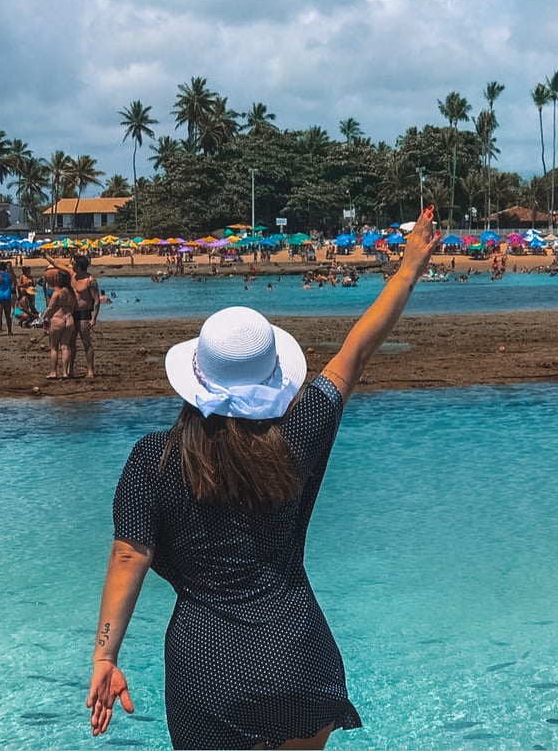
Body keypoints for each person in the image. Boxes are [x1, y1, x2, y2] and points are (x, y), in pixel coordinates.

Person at [86, 208, 441, 749]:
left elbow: (129, 556)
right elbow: (356, 351)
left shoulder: (154, 460)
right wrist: (410, 265)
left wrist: (105, 656)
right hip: (300, 655)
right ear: (274, 380)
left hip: (209, 667)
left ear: (196, 377)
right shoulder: (298, 435)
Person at [44, 253, 100, 378]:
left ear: (79, 266)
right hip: (71, 313)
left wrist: (94, 318)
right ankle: (70, 370)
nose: (71, 264)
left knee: (86, 342)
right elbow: (56, 264)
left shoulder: (90, 281)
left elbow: (96, 300)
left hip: (84, 313)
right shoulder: (71, 274)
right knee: (70, 343)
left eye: (73, 263)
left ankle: (90, 370)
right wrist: (45, 255)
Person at [42, 269, 76, 379]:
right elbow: (73, 307)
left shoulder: (57, 293)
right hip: (69, 319)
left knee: (54, 347)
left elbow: (50, 308)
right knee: (65, 346)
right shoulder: (72, 293)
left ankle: (53, 372)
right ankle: (65, 372)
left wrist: (43, 318)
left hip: (58, 319)